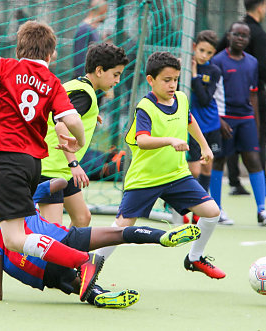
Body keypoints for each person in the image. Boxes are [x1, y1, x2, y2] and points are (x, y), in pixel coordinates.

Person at [0, 21, 104, 307]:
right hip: (31, 164)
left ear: (18, 46)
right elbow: (72, 120)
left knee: (14, 239)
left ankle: (83, 261)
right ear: (51, 55)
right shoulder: (52, 82)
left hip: (9, 161)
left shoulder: (3, 67)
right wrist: (79, 139)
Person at [0, 176, 200, 307]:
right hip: (64, 238)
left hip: (40, 271)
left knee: (77, 284)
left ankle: (99, 295)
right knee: (118, 234)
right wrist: (33, 187)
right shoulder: (22, 198)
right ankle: (160, 236)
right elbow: (60, 182)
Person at [95, 52, 226, 280]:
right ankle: (91, 265)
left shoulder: (182, 99)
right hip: (145, 179)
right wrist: (170, 140)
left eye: (175, 79)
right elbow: (143, 140)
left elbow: (189, 120)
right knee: (120, 227)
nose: (172, 85)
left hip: (176, 176)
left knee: (212, 212)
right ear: (150, 80)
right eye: (166, 80)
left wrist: (204, 147)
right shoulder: (145, 107)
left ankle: (195, 258)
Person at [38, 42, 129, 227]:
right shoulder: (85, 94)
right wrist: (74, 164)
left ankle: (70, 255)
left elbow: (62, 111)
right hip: (51, 169)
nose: (117, 80)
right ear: (99, 70)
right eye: (116, 74)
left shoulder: (77, 86)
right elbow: (61, 125)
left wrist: (91, 115)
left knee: (82, 218)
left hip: (61, 169)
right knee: (52, 232)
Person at [210, 21, 266, 226]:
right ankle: (216, 210)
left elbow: (253, 94)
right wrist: (218, 119)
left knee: (253, 161)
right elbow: (212, 94)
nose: (240, 38)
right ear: (228, 36)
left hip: (246, 117)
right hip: (225, 118)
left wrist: (255, 122)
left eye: (244, 36)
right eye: (236, 34)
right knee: (218, 160)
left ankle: (262, 210)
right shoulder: (217, 61)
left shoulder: (253, 62)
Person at [217, 0, 266, 197]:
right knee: (257, 140)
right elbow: (263, 65)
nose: (240, 38)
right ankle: (261, 182)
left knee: (232, 141)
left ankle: (235, 182)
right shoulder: (258, 33)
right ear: (261, 6)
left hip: (234, 94)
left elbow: (218, 49)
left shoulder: (235, 28)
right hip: (250, 96)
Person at [187, 30, 230, 225]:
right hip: (192, 126)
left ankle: (200, 207)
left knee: (207, 167)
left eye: (209, 53)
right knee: (193, 169)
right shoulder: (182, 67)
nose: (204, 55)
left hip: (210, 124)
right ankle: (188, 204)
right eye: (201, 50)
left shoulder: (213, 71)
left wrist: (195, 76)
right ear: (194, 47)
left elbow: (205, 100)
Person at [72, 0, 107, 78]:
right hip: (84, 80)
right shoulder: (84, 29)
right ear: (103, 11)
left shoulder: (93, 29)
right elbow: (79, 59)